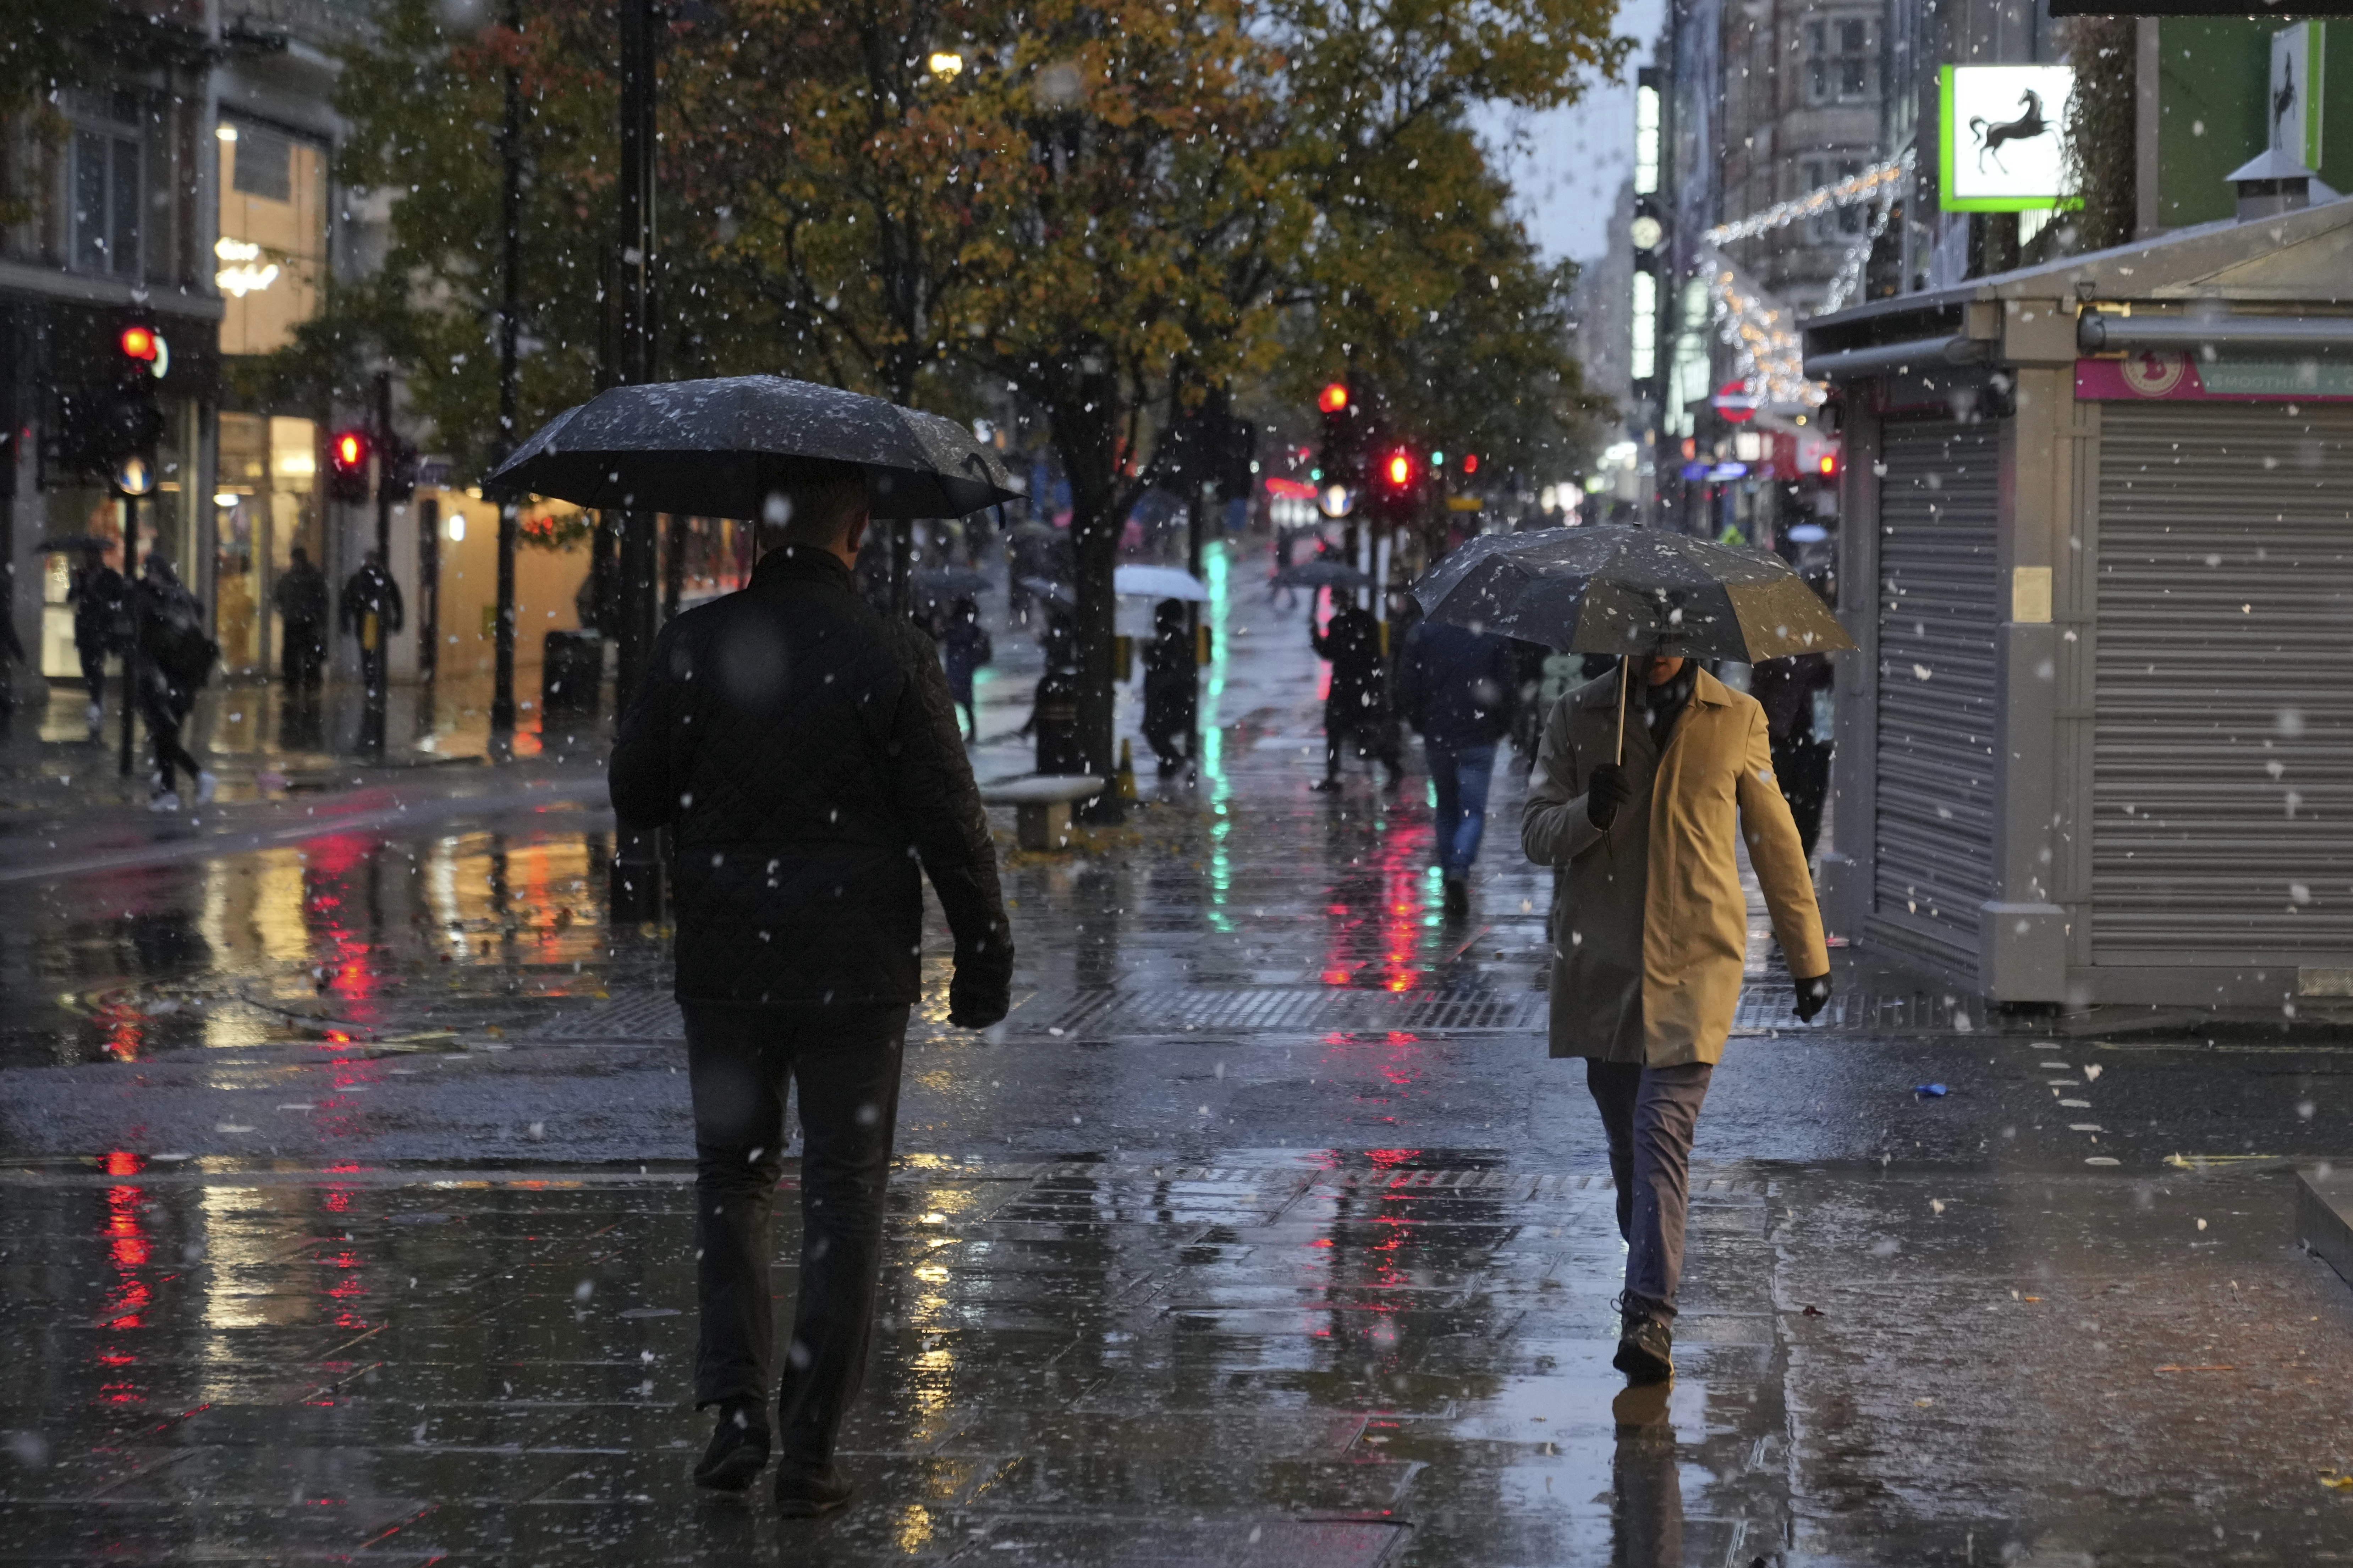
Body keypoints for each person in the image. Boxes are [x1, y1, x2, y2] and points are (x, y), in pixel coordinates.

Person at [608, 462, 1013, 1515]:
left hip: (728, 963)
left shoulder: (696, 643)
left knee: (732, 1182)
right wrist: (983, 947)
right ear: (860, 530)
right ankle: (811, 1448)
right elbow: (948, 817)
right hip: (855, 971)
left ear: (758, 531)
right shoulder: (892, 654)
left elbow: (636, 788)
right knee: (843, 1192)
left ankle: (735, 1409)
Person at [1521, 652, 1830, 1385]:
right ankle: (1650, 1266)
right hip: (1605, 967)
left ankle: (1649, 1314)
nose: (1659, 645)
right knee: (1632, 1154)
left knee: (1662, 1134)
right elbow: (1535, 832)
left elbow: (1774, 839)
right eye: (1645, 630)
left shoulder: (1738, 717)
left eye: (1673, 630)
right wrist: (1587, 812)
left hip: (1696, 962)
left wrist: (1807, 957)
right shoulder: (1579, 714)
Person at [1395, 618, 1518, 917]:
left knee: (1447, 809)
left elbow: (1406, 685)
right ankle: (1459, 869)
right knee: (1472, 811)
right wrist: (1500, 725)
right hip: (1479, 736)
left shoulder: (1422, 632)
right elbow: (1508, 687)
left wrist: (1421, 721)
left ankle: (1452, 867)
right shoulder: (1492, 633)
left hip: (1440, 735)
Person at [131, 557, 217, 811]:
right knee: (164, 737)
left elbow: (165, 642)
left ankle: (188, 782)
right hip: (170, 682)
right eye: (148, 572)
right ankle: (173, 788)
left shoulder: (169, 603)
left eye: (154, 572)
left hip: (174, 682)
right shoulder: (167, 599)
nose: (150, 577)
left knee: (165, 736)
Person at [1749, 651, 1834, 860]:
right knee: (1780, 808)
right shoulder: (1771, 649)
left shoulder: (1823, 650)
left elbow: (1833, 689)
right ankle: (1785, 864)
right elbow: (1757, 693)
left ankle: (1802, 863)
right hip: (1780, 737)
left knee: (1810, 809)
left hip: (1815, 739)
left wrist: (1829, 667)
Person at [1310, 594, 1397, 791]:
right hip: (1362, 686)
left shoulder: (1339, 624)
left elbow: (1329, 652)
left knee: (1337, 732)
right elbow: (1377, 655)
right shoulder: (1367, 621)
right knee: (1364, 731)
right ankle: (1392, 768)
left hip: (1344, 687)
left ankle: (1333, 775)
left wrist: (1315, 636)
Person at [67, 549, 125, 735]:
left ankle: (96, 700)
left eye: (94, 556)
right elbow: (71, 598)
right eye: (89, 556)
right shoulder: (82, 576)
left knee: (96, 664)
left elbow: (120, 599)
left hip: (101, 628)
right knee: (88, 665)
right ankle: (96, 698)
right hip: (85, 628)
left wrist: (107, 608)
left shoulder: (111, 577)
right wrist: (76, 585)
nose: (91, 559)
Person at [1138, 597, 1196, 771]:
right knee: (1155, 733)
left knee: (1154, 731)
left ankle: (1177, 763)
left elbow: (1174, 672)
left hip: (1170, 705)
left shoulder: (1175, 641)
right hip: (1166, 705)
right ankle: (1171, 765)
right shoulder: (1169, 640)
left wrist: (1155, 660)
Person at [339, 550, 404, 698]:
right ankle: (374, 684)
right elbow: (396, 600)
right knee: (374, 655)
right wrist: (397, 619)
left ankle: (372, 684)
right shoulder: (382, 579)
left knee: (369, 655)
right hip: (374, 621)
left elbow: (347, 602)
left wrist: (346, 621)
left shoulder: (360, 579)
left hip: (368, 621)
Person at [273, 546, 328, 694]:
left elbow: (278, 598)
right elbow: (323, 599)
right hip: (306, 621)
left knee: (293, 654)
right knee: (307, 654)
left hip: (296, 621)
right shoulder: (312, 577)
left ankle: (294, 683)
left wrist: (286, 611)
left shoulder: (289, 578)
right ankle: (308, 682)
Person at [937, 595, 991, 741]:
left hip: (959, 665)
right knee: (963, 701)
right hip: (963, 665)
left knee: (954, 699)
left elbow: (949, 637)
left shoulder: (958, 623)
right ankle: (969, 732)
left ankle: (953, 731)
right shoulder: (965, 622)